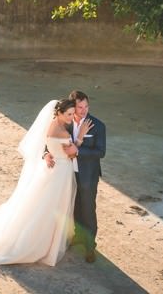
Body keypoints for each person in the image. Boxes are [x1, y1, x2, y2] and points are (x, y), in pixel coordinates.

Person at [0, 98, 91, 266]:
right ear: (59, 112)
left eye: (73, 113)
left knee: (41, 204)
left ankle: (49, 238)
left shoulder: (52, 124)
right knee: (52, 206)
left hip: (51, 169)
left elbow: (48, 145)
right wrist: (79, 138)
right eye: (69, 114)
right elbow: (71, 153)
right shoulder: (64, 133)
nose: (72, 117)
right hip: (60, 171)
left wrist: (48, 153)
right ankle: (42, 243)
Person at [45, 90, 106, 263]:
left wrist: (78, 150)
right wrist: (46, 155)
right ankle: (77, 237)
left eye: (86, 106)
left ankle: (89, 246)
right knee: (71, 208)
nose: (83, 110)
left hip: (87, 176)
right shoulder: (66, 121)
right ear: (72, 107)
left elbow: (101, 152)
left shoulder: (98, 126)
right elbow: (50, 140)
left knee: (87, 210)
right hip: (66, 174)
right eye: (80, 107)